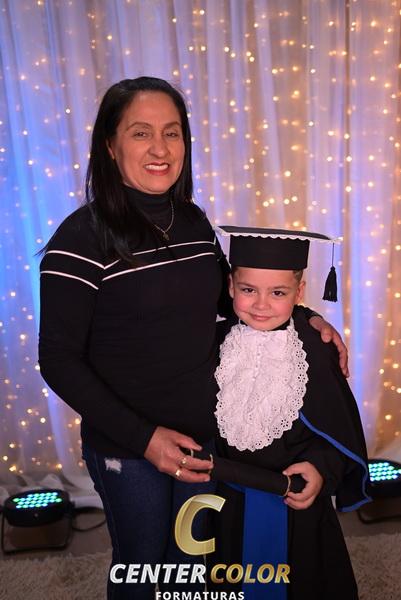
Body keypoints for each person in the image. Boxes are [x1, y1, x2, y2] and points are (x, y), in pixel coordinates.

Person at [38, 77, 348, 600]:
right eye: (141, 133)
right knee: (143, 568)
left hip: (205, 438)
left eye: (172, 132)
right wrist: (145, 439)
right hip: (129, 449)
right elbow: (58, 360)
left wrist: (307, 318)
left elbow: (233, 300)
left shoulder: (193, 221)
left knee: (192, 567)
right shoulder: (78, 241)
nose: (160, 149)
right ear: (110, 145)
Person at [205, 226, 371, 600]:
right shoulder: (213, 342)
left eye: (278, 293)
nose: (261, 304)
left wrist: (320, 468)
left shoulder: (315, 349)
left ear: (299, 293)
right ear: (231, 287)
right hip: (228, 503)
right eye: (248, 290)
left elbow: (337, 429)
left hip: (295, 505)